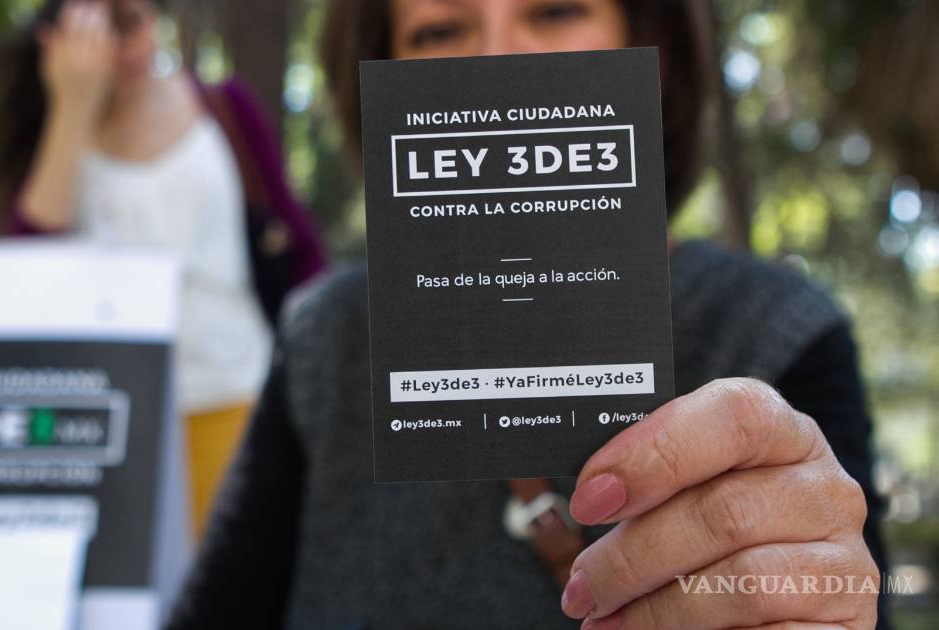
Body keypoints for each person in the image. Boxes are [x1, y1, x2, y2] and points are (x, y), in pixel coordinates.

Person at [168, 0, 890, 628]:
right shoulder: (326, 339)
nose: (498, 59)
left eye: (555, 11)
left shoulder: (776, 331)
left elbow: (844, 604)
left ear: (656, 48)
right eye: (440, 30)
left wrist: (821, 601)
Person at [0, 0, 326, 536]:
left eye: (133, 20)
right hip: (111, 427)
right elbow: (25, 271)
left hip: (238, 400)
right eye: (101, 29)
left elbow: (301, 247)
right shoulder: (55, 135)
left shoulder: (223, 108)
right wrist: (73, 107)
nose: (125, 45)